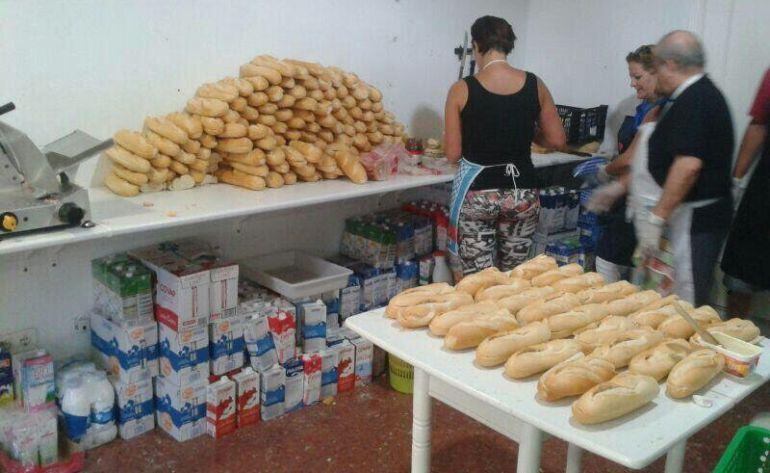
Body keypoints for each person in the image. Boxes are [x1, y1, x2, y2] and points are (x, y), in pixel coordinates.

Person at [443, 15, 566, 280]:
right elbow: (557, 140)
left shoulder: (461, 89)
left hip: (478, 195)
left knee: (479, 281)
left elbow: (452, 154)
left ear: (476, 45)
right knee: (516, 276)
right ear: (509, 45)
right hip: (521, 192)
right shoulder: (535, 84)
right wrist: (530, 135)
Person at [633, 30, 734, 305]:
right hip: (692, 215)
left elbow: (688, 165)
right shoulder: (692, 96)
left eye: (657, 68)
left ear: (673, 64)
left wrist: (657, 217)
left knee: (686, 299)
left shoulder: (697, 99)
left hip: (698, 219)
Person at [593, 45, 661, 282]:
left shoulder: (659, 111)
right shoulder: (644, 108)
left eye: (638, 77)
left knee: (607, 263)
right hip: (633, 195)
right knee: (633, 269)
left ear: (657, 73)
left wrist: (605, 171)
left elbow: (633, 158)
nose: (632, 83)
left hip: (647, 200)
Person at [720, 68, 770, 317]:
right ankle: (732, 341)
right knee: (741, 276)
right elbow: (759, 125)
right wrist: (736, 181)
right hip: (765, 190)